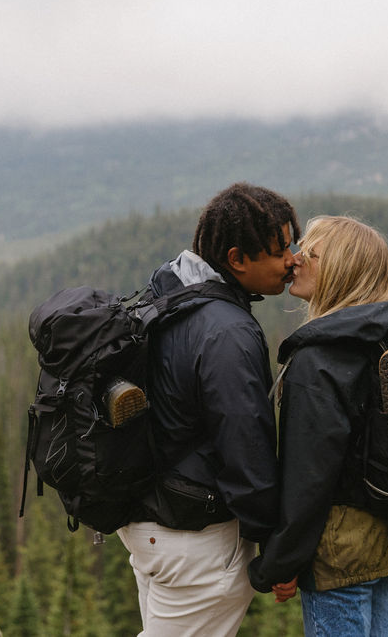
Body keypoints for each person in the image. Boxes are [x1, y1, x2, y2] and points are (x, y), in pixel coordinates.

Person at [116, 183, 300, 637]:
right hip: (196, 545)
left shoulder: (168, 299)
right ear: (237, 259)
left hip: (152, 528)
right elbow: (246, 448)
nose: (293, 259)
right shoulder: (227, 332)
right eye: (280, 251)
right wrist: (276, 549)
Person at [247, 215, 388, 636]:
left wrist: (278, 564)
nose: (294, 261)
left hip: (341, 556)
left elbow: (309, 478)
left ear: (338, 272)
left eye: (309, 254)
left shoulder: (318, 359)